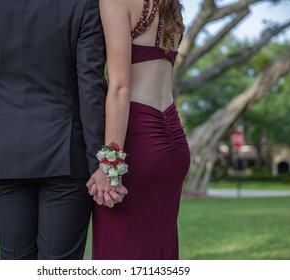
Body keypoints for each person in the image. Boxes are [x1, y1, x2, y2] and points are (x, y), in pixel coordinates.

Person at [0, 0, 126, 260]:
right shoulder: (82, 4)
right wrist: (100, 163)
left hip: (3, 157)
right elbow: (90, 87)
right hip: (66, 157)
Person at [88, 0, 190, 260]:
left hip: (138, 142)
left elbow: (121, 88)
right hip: (174, 140)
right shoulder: (171, 6)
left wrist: (110, 167)